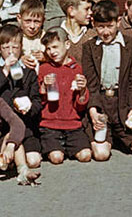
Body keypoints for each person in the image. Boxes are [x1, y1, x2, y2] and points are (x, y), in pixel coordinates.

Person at [81, 0, 132, 159]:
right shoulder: (89, 48)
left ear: (118, 21)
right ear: (93, 24)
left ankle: (121, 138)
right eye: (101, 26)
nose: (106, 32)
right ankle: (108, 138)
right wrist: (93, 111)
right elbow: (90, 84)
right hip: (102, 104)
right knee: (101, 154)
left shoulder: (131, 44)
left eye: (110, 26)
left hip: (123, 105)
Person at [0, 23, 43, 176]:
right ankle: (11, 157)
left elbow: (37, 101)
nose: (11, 52)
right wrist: (4, 71)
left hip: (25, 125)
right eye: (6, 48)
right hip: (0, 129)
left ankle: (15, 159)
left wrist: (28, 108)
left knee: (34, 160)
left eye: (15, 47)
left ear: (21, 47)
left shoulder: (29, 72)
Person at [37, 28, 92, 163]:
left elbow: (79, 105)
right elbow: (39, 101)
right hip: (50, 124)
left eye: (55, 46)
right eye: (48, 48)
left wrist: (83, 90)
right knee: (57, 158)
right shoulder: (44, 68)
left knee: (85, 155)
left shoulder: (76, 68)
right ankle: (57, 149)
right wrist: (44, 86)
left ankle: (68, 148)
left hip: (72, 124)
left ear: (67, 45)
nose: (52, 52)